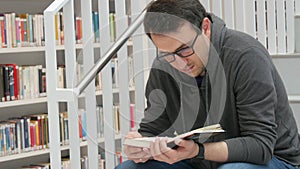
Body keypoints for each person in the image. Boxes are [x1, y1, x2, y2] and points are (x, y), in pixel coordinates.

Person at [115, 0, 300, 168]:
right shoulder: (163, 65)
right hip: (199, 160)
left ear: (205, 28)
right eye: (168, 54)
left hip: (272, 160)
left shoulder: (246, 56)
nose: (180, 62)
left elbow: (260, 146)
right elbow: (153, 129)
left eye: (184, 49)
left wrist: (198, 150)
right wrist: (140, 144)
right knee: (129, 167)